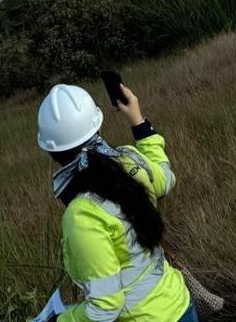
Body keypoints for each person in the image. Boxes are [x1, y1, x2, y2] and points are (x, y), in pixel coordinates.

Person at [36, 80, 196, 322]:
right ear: (97, 128)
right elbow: (165, 179)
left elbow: (105, 309)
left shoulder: (82, 216)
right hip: (181, 305)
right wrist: (138, 120)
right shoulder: (130, 161)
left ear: (51, 152)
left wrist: (60, 319)